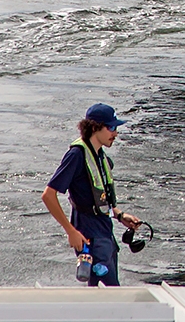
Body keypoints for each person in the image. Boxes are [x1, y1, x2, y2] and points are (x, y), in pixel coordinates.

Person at [41, 104, 143, 287]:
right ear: (95, 127)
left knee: (105, 293)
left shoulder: (101, 156)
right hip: (91, 238)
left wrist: (120, 215)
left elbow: (100, 197)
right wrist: (71, 231)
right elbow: (48, 195)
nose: (116, 133)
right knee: (110, 295)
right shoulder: (76, 155)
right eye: (111, 127)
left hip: (105, 235)